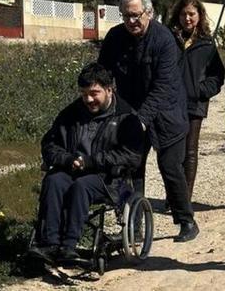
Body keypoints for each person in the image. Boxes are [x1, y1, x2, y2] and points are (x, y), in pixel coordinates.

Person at [98, 0, 199, 243]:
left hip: (167, 114)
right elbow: (103, 74)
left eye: (136, 15)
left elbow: (163, 87)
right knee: (129, 169)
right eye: (125, 16)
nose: (131, 21)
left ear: (149, 12)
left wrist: (141, 119)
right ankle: (133, 225)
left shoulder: (164, 39)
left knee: (170, 167)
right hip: (131, 112)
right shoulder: (114, 38)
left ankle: (186, 220)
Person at [28, 63, 145, 264]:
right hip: (73, 168)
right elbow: (49, 144)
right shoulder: (71, 113)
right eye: (84, 94)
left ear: (109, 89)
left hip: (108, 177)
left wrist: (92, 162)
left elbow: (132, 157)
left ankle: (69, 245)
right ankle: (49, 244)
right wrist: (67, 159)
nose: (88, 99)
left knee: (82, 186)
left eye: (94, 93)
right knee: (54, 180)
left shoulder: (126, 117)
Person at [167, 0, 225, 202]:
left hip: (194, 105)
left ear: (199, 16)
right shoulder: (169, 39)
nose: (187, 18)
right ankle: (173, 195)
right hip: (170, 104)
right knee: (173, 152)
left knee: (190, 152)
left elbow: (217, 75)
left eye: (192, 14)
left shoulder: (206, 44)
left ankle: (184, 199)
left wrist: (200, 90)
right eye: (183, 14)